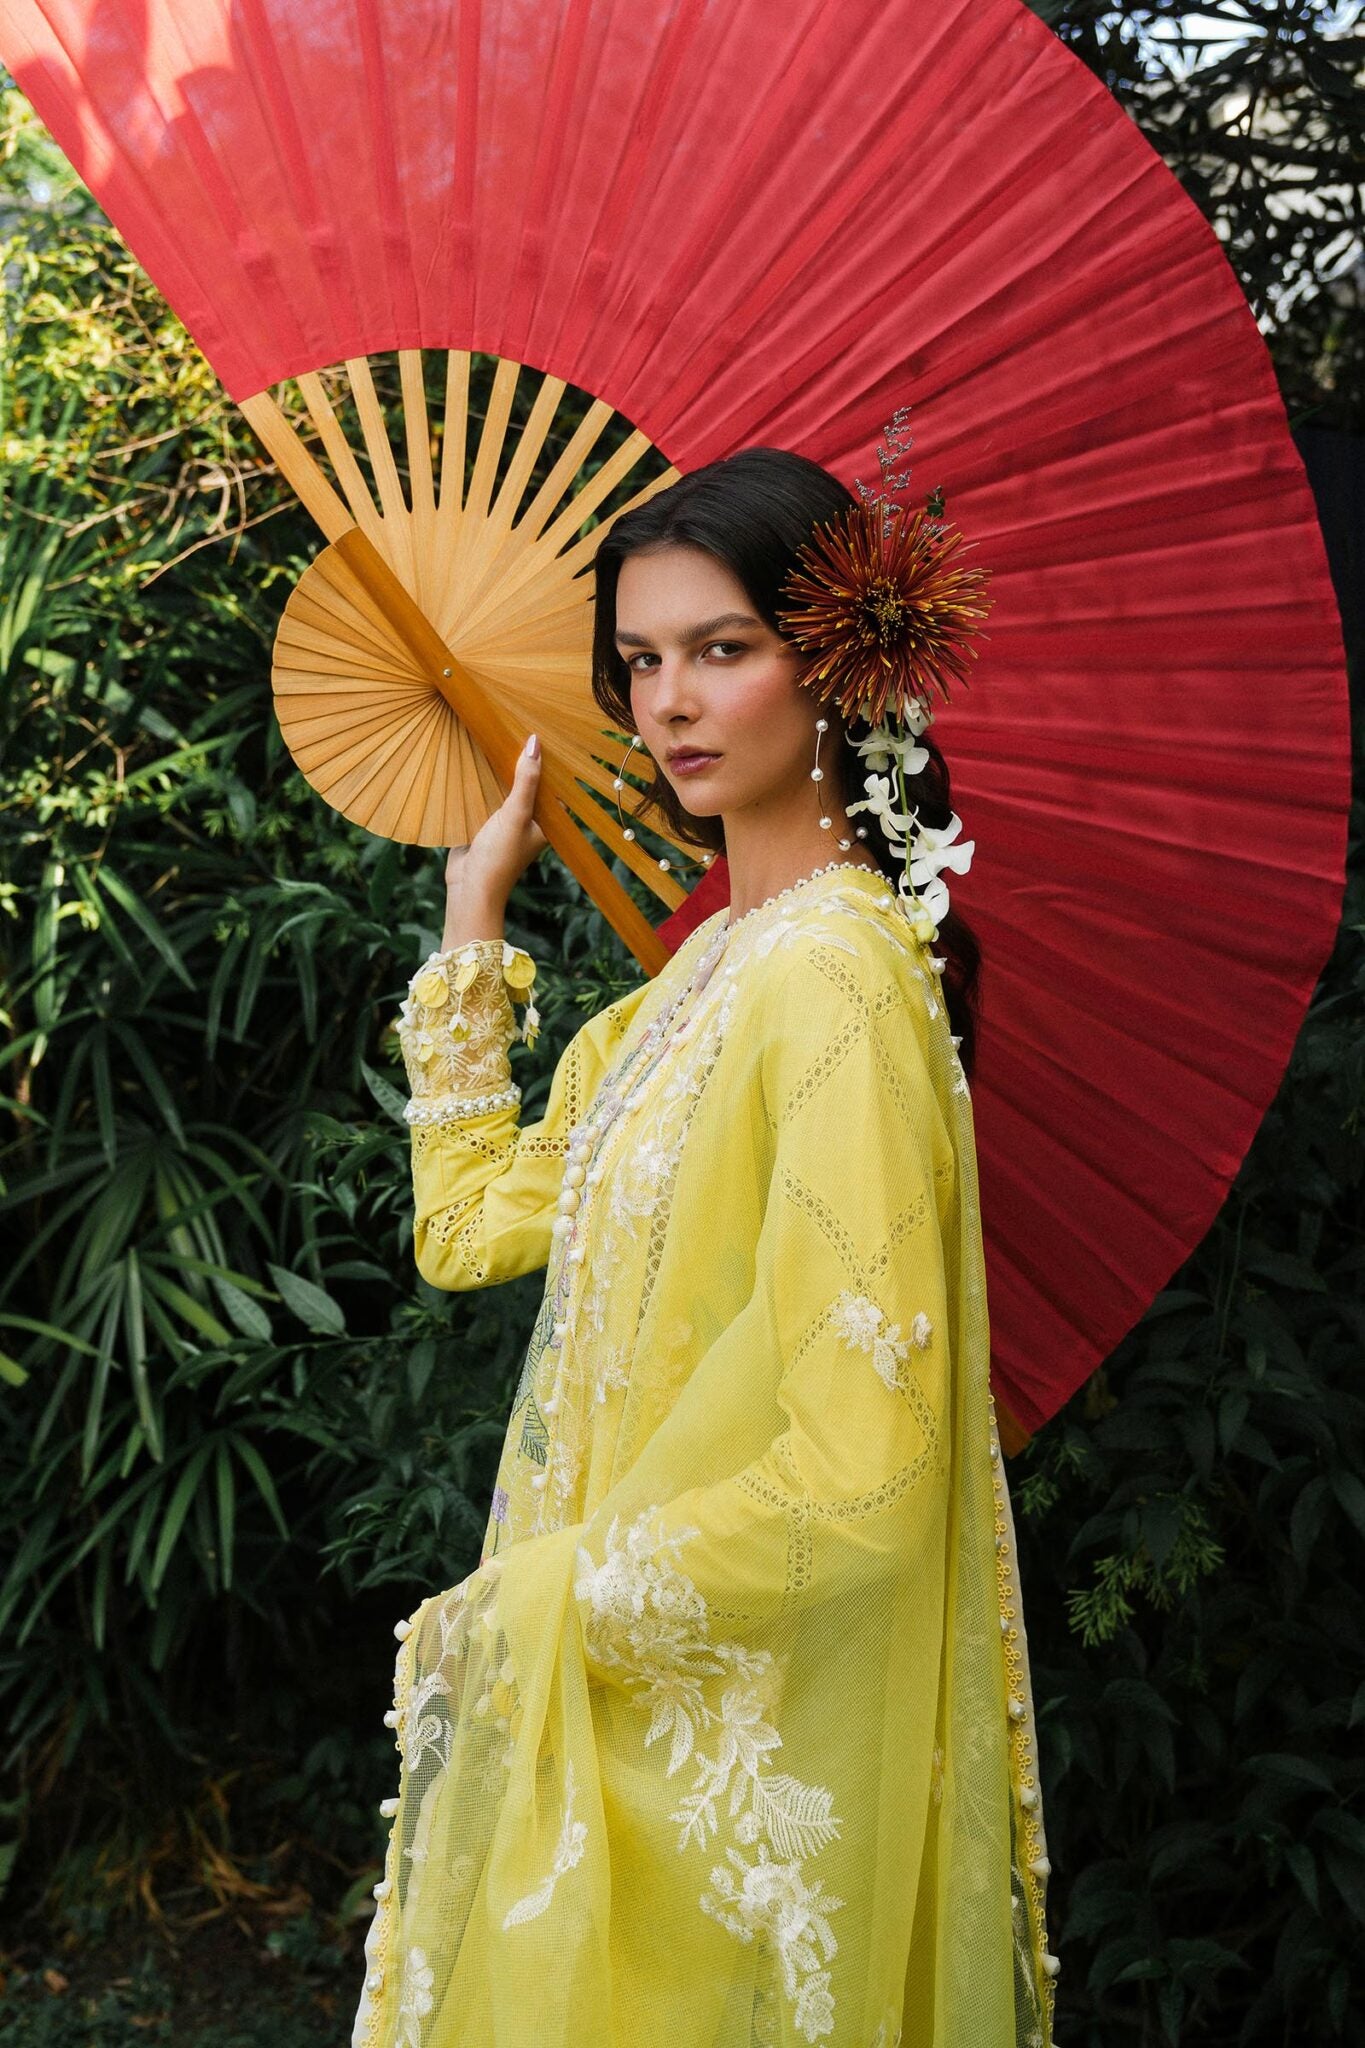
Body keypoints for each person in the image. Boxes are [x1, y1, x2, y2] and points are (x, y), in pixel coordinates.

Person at [351, 448, 1057, 2048]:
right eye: (641, 659)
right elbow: (467, 1228)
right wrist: (473, 923)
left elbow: (866, 1476)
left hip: (723, 1753)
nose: (669, 701)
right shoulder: (692, 986)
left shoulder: (835, 983)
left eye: (721, 649)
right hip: (621, 1739)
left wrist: (542, 1600)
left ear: (838, 667)